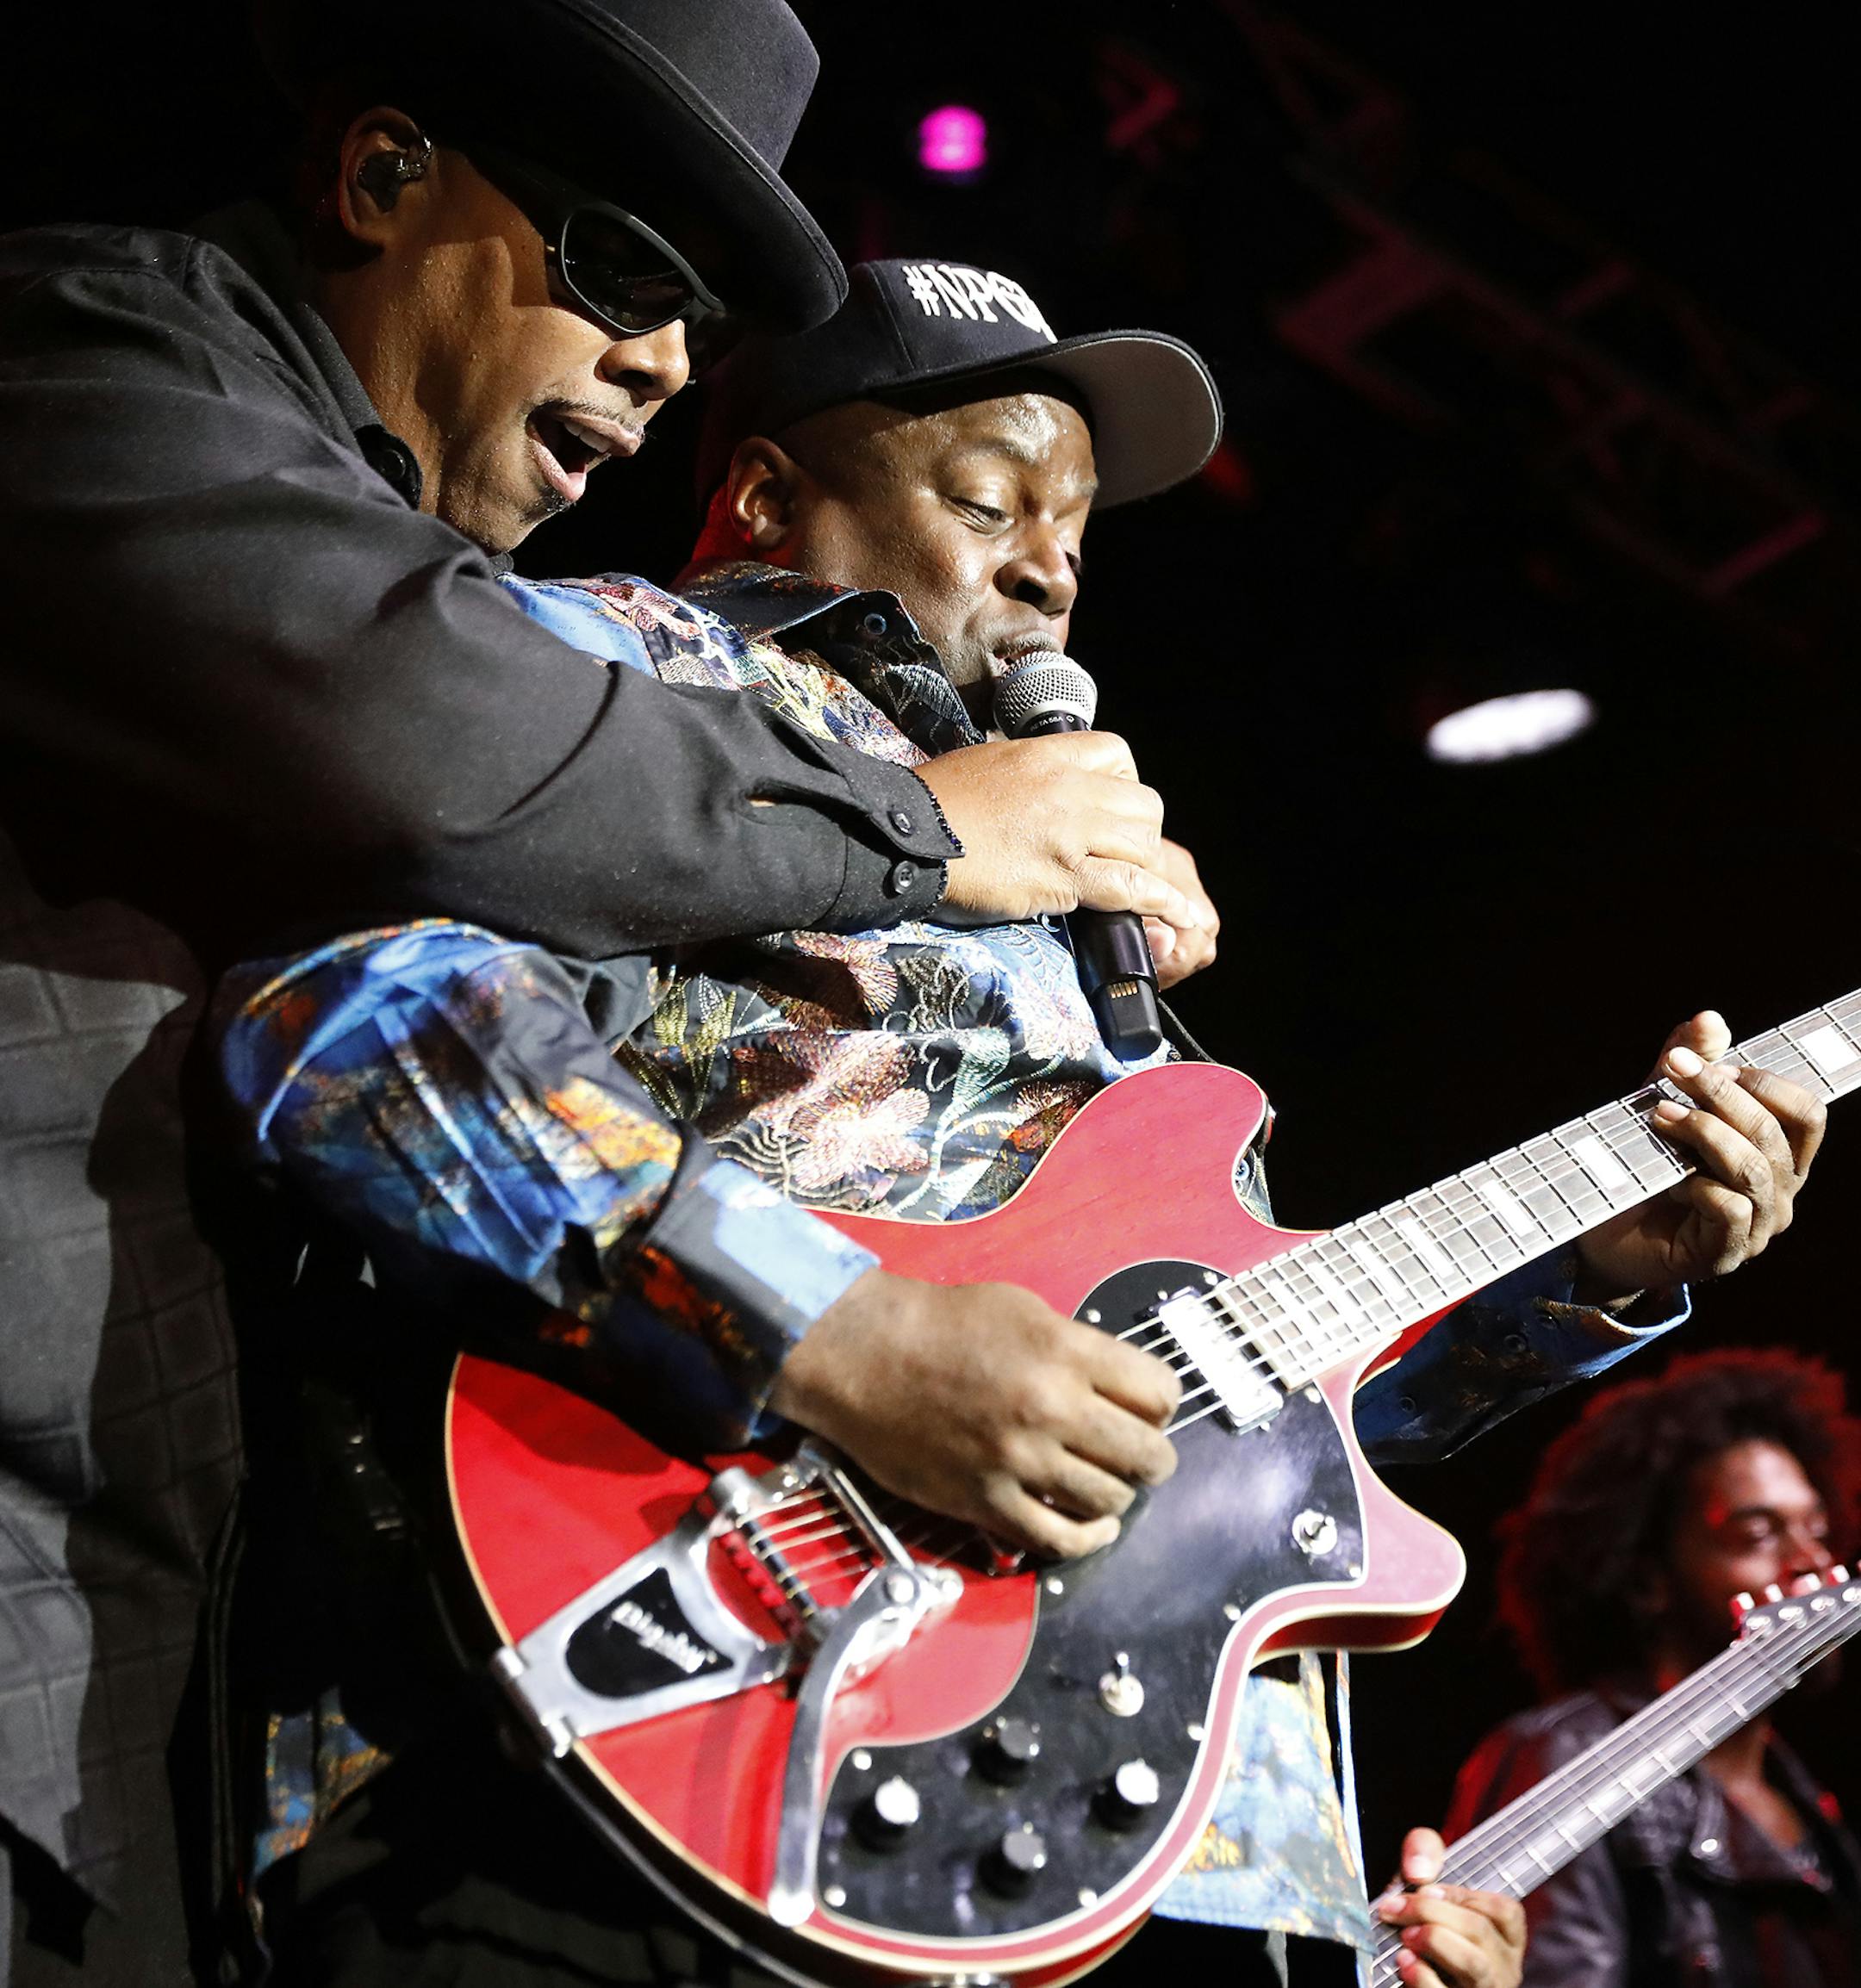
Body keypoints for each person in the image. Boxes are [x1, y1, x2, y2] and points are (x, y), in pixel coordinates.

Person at [215, 259, 1825, 1987]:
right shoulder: (619, 676)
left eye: (1076, 526)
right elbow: (357, 1012)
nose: (1051, 564)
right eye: (989, 500)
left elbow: (1251, 1437)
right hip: (693, 1722)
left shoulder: (1079, 889)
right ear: (766, 493)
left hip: (1160, 1847)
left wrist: (1585, 1272)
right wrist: (843, 1334)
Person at [0, 11, 1199, 1981]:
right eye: (625, 270)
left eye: (696, 319)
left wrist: (1583, 1276)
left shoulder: (1039, 868)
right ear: (382, 175)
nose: (656, 361)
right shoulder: (99, 354)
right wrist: (910, 829)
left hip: (139, 1677)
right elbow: (400, 818)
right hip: (549, 1745)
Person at [1448, 1350, 1861, 1986]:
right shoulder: (1567, 1752)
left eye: (1817, 1528)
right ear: (1647, 1581)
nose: (1811, 1560)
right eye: (1758, 1534)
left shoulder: (1801, 1795)